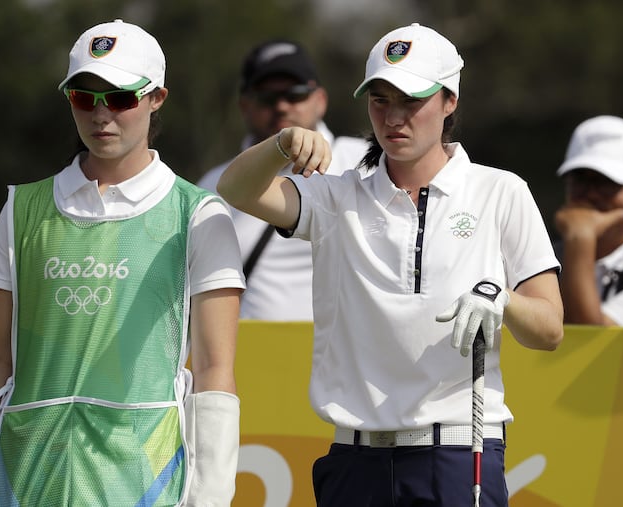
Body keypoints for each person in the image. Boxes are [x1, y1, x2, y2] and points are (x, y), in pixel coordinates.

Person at [218, 23, 563, 506]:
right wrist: (281, 143)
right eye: (380, 99)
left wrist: (501, 298)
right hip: (355, 459)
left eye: (411, 100)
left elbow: (548, 330)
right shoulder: (337, 195)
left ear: (449, 101)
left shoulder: (501, 191)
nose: (394, 117)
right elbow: (235, 190)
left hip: (461, 450)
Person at [0, 19, 244, 507]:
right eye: (85, 97)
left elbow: (214, 372)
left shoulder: (199, 214)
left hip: (143, 484)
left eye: (120, 98)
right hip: (21, 480)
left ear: (156, 98)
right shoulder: (23, 209)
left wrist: (211, 497)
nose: (102, 115)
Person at [198, 39, 367, 320]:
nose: (282, 106)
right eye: (267, 97)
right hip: (249, 355)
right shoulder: (213, 186)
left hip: (347, 356)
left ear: (321, 100)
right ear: (244, 105)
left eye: (296, 94)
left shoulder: (365, 162)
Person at [554, 115, 623, 326]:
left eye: (607, 182)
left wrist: (580, 237)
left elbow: (588, 343)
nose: (591, 194)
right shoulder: (545, 257)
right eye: (580, 179)